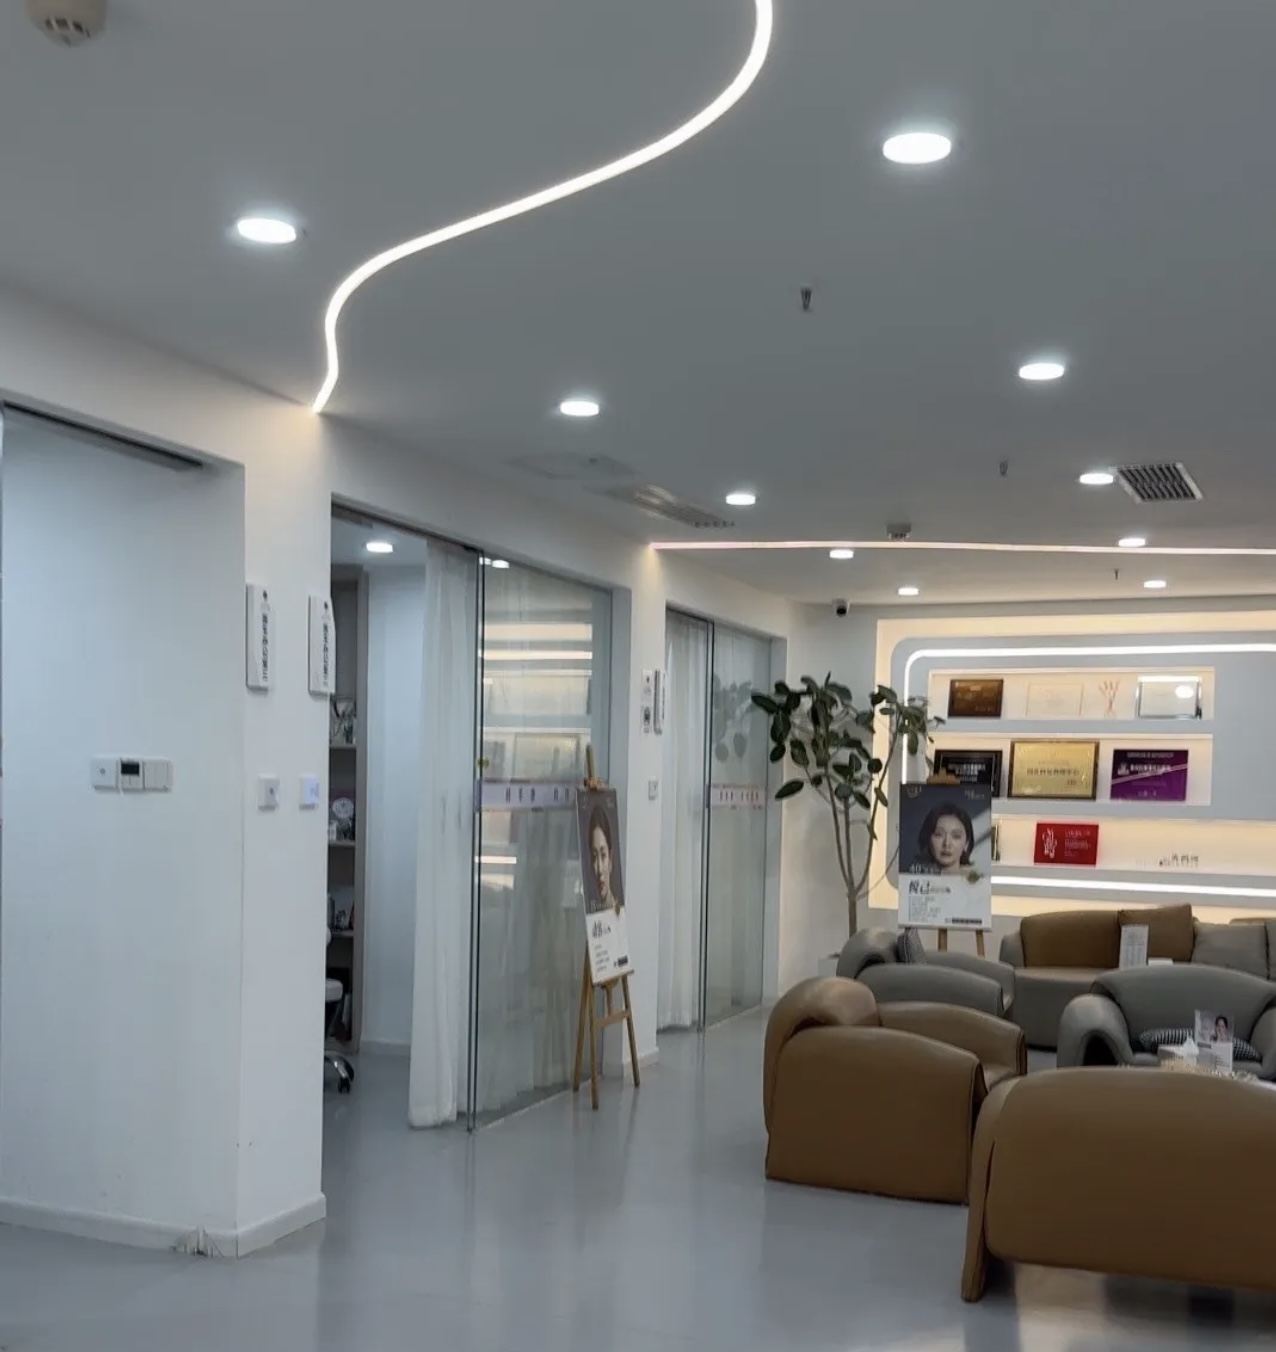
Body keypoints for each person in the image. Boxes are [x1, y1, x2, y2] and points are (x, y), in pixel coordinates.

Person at [912, 803, 975, 875]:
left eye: (956, 836)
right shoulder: (912, 877)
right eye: (938, 834)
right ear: (928, 839)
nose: (947, 843)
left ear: (966, 843)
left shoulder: (977, 880)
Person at [586, 805, 624, 915]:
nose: (599, 869)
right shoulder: (591, 911)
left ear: (610, 858)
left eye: (603, 856)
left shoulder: (619, 913)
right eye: (594, 857)